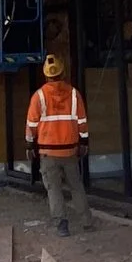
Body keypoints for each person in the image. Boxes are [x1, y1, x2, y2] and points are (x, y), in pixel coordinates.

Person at [25, 53, 90, 236]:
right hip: (70, 150)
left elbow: (31, 125)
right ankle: (86, 220)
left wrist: (29, 145)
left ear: (46, 75)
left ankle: (62, 225)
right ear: (63, 73)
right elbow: (82, 122)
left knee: (54, 190)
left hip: (48, 152)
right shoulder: (74, 95)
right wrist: (83, 141)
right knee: (76, 186)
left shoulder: (39, 97)